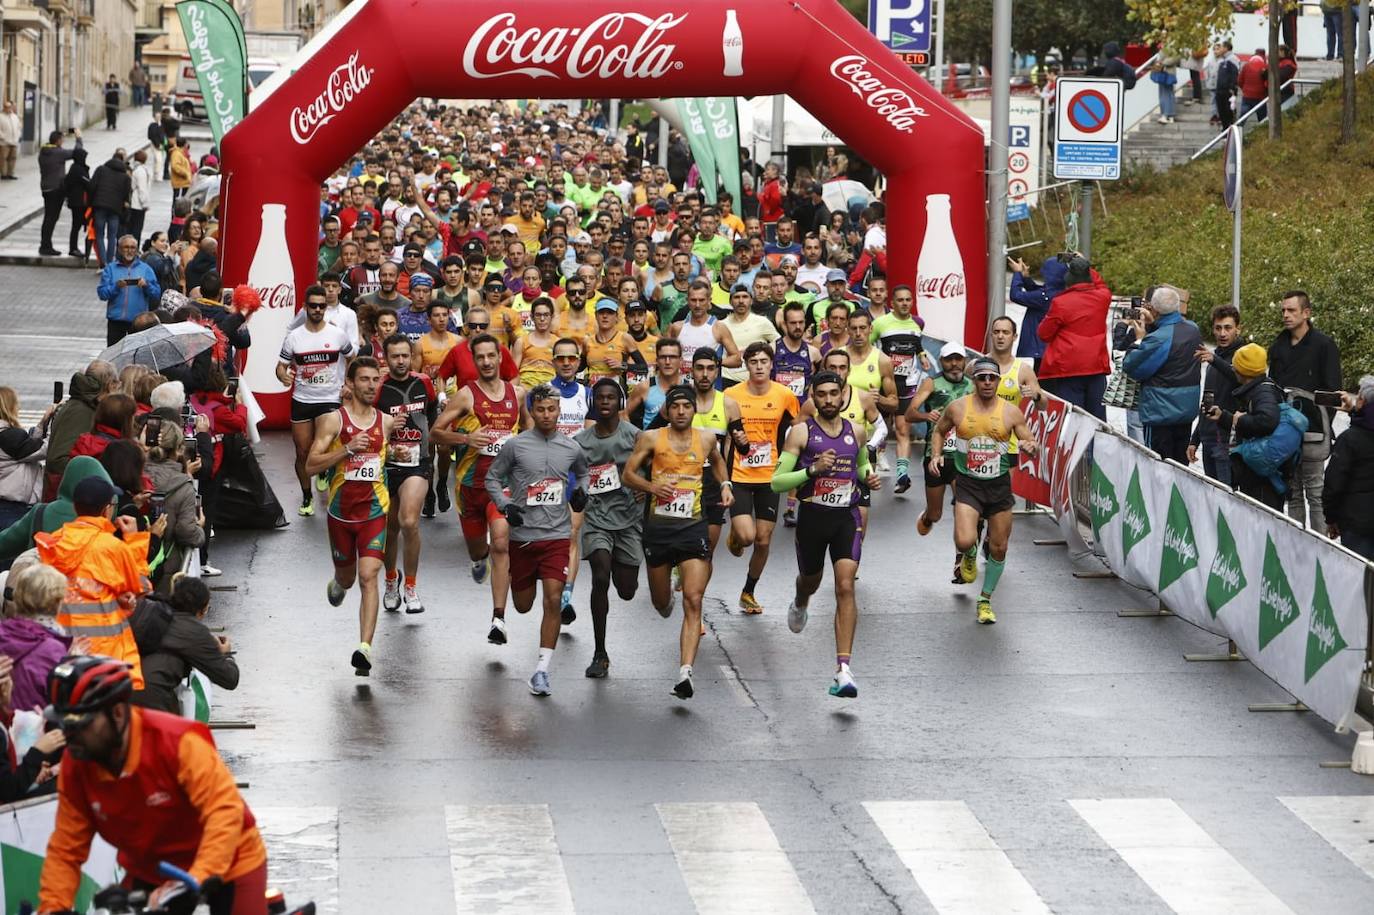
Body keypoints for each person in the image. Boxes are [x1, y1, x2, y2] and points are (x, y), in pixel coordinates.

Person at [38, 655, 268, 914]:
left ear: (117, 713)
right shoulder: (77, 762)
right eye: (64, 725)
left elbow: (223, 812)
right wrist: (52, 906)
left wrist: (200, 875)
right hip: (153, 868)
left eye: (81, 725)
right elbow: (65, 849)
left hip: (229, 859)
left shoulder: (177, 742)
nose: (70, 737)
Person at [771, 371, 880, 698]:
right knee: (810, 580)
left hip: (846, 517)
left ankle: (843, 670)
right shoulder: (800, 433)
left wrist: (869, 477)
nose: (830, 400)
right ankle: (801, 600)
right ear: (813, 398)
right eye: (823, 395)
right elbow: (777, 481)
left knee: (845, 585)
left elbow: (859, 466)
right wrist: (811, 471)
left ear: (843, 393)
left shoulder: (856, 432)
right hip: (813, 519)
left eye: (835, 393)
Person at [623, 386, 733, 699]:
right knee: (661, 604)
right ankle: (665, 599)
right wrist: (651, 485)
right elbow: (628, 475)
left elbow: (718, 460)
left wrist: (724, 484)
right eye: (676, 406)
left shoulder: (707, 437)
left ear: (693, 410)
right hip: (658, 529)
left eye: (687, 406)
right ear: (668, 411)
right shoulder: (651, 438)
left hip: (693, 526)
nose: (682, 411)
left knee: (694, 598)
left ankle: (685, 673)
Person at [483, 384, 589, 697]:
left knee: (554, 598)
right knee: (524, 604)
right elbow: (492, 477)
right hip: (524, 537)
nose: (546, 415)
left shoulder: (571, 447)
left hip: (556, 534)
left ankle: (542, 670)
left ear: (559, 411)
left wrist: (581, 494)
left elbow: (583, 473)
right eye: (540, 409)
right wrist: (505, 508)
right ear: (531, 410)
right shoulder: (515, 446)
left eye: (552, 409)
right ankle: (512, 604)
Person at [929, 357, 1039, 625]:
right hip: (968, 483)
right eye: (982, 378)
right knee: (965, 540)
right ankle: (968, 554)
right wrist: (935, 455)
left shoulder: (1011, 412)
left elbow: (1030, 441)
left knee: (999, 547)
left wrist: (1030, 447)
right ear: (974, 380)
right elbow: (939, 430)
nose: (987, 382)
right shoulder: (958, 408)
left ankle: (985, 600)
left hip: (999, 486)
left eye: (992, 378)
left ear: (998, 381)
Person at [304, 357, 395, 675]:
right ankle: (339, 583)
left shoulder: (386, 422)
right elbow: (311, 466)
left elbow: (389, 458)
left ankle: (364, 649)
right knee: (347, 577)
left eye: (375, 380)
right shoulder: (333, 421)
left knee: (369, 576)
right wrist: (347, 450)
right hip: (341, 514)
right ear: (352, 384)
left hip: (375, 511)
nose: (371, 385)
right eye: (365, 380)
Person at [432, 335, 524, 641]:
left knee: (501, 543)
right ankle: (476, 559)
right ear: (474, 360)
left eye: (490, 356)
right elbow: (435, 434)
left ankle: (498, 619)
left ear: (500, 359)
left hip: (503, 487)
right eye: (479, 357)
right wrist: (465, 440)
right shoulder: (466, 396)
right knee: (480, 549)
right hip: (470, 487)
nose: (485, 362)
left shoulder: (516, 393)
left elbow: (531, 435)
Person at [35, 477, 150, 686]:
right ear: (107, 509)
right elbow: (141, 587)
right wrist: (134, 539)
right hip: (105, 655)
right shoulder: (112, 547)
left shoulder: (54, 543)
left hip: (59, 648)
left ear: (75, 506)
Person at [724, 342, 802, 614]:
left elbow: (797, 428)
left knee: (763, 540)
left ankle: (748, 591)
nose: (758, 366)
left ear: (771, 365)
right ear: (746, 364)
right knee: (747, 537)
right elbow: (723, 434)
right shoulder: (731, 395)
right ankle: (735, 533)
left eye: (763, 361)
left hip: (770, 475)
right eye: (753, 361)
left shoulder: (784, 395)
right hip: (740, 473)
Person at [573, 379, 642, 679]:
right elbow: (571, 479)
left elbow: (655, 467)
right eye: (599, 397)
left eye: (610, 397)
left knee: (626, 591)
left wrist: (646, 488)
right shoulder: (580, 442)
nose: (604, 402)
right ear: (593, 403)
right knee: (600, 575)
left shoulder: (636, 437)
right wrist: (575, 493)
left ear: (620, 402)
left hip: (629, 519)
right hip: (597, 517)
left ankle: (619, 562)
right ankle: (600, 652)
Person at [277, 284, 356, 516]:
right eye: (313, 306)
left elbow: (353, 358)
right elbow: (280, 367)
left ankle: (326, 478)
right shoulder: (294, 337)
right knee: (302, 452)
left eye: (323, 306)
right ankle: (306, 496)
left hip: (330, 399)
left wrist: (348, 384)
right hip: (302, 399)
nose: (318, 310)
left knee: (326, 448)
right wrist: (283, 376)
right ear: (305, 307)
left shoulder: (337, 334)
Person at [1268, 291, 1341, 533]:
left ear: (1306, 313)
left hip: (1313, 432)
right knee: (1293, 491)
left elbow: (1333, 391)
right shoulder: (1278, 345)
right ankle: (1296, 540)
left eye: (1291, 310)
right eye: (1283, 311)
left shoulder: (1324, 346)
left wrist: (1320, 422)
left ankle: (1320, 545)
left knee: (1315, 492)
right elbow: (1273, 385)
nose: (1286, 315)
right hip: (1284, 430)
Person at [376, 334, 438, 615]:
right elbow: (369, 426)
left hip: (417, 463)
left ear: (411, 357)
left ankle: (411, 586)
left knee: (409, 521)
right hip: (388, 465)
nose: (400, 361)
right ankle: (391, 581)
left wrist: (431, 447)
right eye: (394, 356)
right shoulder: (379, 388)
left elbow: (434, 415)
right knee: (390, 528)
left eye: (405, 356)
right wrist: (388, 427)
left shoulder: (423, 383)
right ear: (386, 359)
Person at [132, 577, 240, 716]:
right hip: (152, 700)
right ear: (201, 611)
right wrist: (225, 654)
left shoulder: (146, 608)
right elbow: (229, 679)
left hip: (115, 689)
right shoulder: (193, 632)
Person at [1120, 286, 1202, 463]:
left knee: (1157, 465)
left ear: (1154, 310)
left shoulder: (1158, 338)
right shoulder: (1193, 330)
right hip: (1186, 410)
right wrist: (1153, 324)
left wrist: (1140, 339)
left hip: (1160, 413)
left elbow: (1132, 366)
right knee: (1180, 466)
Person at [1204, 343, 1289, 510]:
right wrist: (1224, 417)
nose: (1233, 370)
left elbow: (1267, 420)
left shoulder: (1263, 392)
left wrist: (1237, 420)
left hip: (1263, 478)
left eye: (1236, 367)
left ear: (1244, 371)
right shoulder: (1255, 388)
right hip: (1255, 471)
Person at [908, 342, 974, 553]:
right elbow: (909, 414)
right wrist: (925, 415)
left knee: (962, 508)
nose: (954, 364)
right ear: (942, 362)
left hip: (962, 456)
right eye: (948, 360)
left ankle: (961, 557)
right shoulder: (932, 383)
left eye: (958, 359)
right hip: (935, 456)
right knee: (936, 514)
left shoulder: (973, 385)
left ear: (964, 361)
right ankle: (928, 516)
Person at [1037, 254, 1111, 420]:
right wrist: (1085, 263)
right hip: (1096, 366)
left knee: (1074, 419)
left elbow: (1044, 334)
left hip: (1068, 369)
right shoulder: (1103, 297)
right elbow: (1100, 283)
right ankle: (1094, 447)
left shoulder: (1061, 302)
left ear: (1069, 278)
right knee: (1097, 419)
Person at [869, 285, 926, 491]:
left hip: (907, 384)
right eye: (900, 300)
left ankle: (902, 475)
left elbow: (917, 346)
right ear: (891, 303)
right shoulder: (880, 323)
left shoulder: (917, 324)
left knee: (903, 429)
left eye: (908, 300)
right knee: (879, 429)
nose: (904, 303)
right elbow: (867, 345)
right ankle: (869, 471)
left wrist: (922, 356)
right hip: (884, 383)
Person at [0, 563, 71, 711]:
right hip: (40, 729)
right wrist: (74, 662)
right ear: (57, 602)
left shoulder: (3, 633)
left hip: (6, 728)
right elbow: (65, 700)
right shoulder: (53, 649)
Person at [1188, 304, 1243, 485]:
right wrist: (1195, 439)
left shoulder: (1242, 357)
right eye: (1218, 328)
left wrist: (1215, 360)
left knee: (1226, 499)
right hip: (1209, 438)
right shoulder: (1214, 358)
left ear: (1238, 329)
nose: (1222, 333)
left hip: (1227, 442)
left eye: (1228, 328)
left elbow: (1239, 378)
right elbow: (1207, 402)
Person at [1323, 376, 1374, 560]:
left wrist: (1330, 518)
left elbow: (1334, 483)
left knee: (1358, 580)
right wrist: (1354, 411)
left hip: (1357, 523)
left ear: (1363, 402)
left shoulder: (1350, 440)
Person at [0, 387, 54, 530]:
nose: (18, 407)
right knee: (11, 551)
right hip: (11, 509)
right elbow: (43, 449)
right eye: (16, 404)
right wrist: (53, 427)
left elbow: (26, 448)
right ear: (8, 407)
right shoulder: (8, 436)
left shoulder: (7, 436)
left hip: (6, 506)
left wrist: (42, 423)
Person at [98, 235, 162, 345]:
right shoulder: (110, 269)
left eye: (133, 248)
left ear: (137, 250)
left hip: (139, 323)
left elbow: (156, 294)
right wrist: (116, 287)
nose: (129, 251)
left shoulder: (145, 269)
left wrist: (146, 286)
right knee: (114, 356)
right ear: (119, 249)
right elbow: (102, 294)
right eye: (126, 247)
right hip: (116, 322)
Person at [1007, 256, 1067, 370]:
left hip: (1042, 350)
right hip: (1052, 349)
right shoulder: (1058, 293)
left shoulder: (1044, 297)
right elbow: (1037, 291)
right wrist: (1025, 278)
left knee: (1041, 385)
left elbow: (1016, 295)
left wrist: (1018, 274)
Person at [39, 128, 83, 256]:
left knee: (48, 217)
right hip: (56, 189)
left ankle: (45, 244)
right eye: (62, 139)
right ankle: (45, 246)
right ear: (58, 141)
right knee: (51, 218)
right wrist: (78, 137)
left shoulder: (43, 152)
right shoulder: (58, 152)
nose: (63, 141)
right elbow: (77, 152)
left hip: (46, 188)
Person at [88, 150, 132, 265]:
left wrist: (91, 202)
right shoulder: (125, 177)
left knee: (99, 235)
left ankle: (103, 263)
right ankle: (110, 261)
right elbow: (127, 194)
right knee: (112, 236)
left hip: (100, 206)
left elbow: (92, 186)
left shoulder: (101, 170)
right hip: (115, 209)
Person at [1214, 40, 1240, 130]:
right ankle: (1225, 131)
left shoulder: (1232, 59)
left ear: (1226, 48)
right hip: (1220, 91)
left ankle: (1229, 131)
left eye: (1221, 47)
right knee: (1222, 113)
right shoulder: (1223, 60)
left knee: (1228, 112)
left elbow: (1234, 74)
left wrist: (1232, 88)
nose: (1219, 49)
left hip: (1227, 91)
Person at [0, 100, 20, 181]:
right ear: (4, 107)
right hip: (4, 142)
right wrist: (3, 136)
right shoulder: (0, 117)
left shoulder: (14, 117)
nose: (8, 108)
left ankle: (10, 173)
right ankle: (3, 174)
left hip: (14, 141)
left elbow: (18, 127)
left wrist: (17, 136)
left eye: (10, 107)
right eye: (6, 107)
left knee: (13, 158)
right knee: (3, 158)